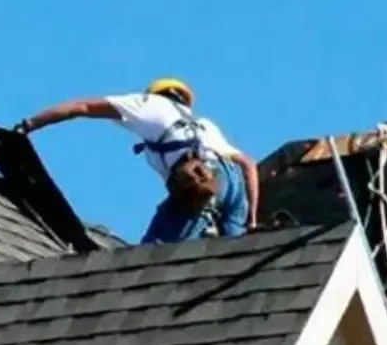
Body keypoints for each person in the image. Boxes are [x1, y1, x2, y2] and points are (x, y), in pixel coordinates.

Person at [14, 78, 258, 245]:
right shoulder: (203, 125)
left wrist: (29, 125)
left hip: (203, 184)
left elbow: (82, 107)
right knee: (234, 253)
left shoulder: (148, 105)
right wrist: (252, 220)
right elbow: (248, 165)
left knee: (156, 252)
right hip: (232, 183)